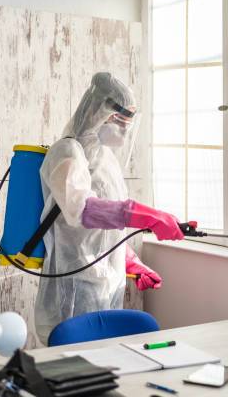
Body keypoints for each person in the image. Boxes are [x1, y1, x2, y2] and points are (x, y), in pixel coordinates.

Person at [34, 72, 184, 344]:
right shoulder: (66, 152)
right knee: (73, 361)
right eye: (120, 120)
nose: (126, 129)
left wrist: (132, 262)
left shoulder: (106, 160)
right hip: (74, 281)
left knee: (107, 356)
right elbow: (81, 210)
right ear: (98, 113)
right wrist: (146, 216)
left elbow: (105, 231)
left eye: (129, 121)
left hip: (109, 281)